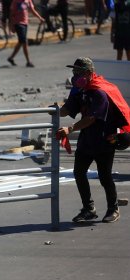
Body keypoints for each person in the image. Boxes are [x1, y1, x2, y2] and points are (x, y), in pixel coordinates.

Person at [57, 57, 130, 223]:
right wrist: (55, 111)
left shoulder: (99, 92)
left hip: (104, 139)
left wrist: (70, 129)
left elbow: (91, 118)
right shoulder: (79, 90)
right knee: (79, 173)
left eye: (79, 73)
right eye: (74, 73)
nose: (75, 76)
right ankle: (88, 208)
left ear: (90, 73)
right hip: (87, 140)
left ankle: (113, 209)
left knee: (105, 177)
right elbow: (68, 109)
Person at [7, 0, 44, 67]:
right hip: (18, 23)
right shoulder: (15, 1)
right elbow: (11, 14)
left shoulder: (28, 1)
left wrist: (40, 18)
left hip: (25, 23)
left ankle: (11, 58)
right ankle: (28, 61)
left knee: (21, 41)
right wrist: (11, 26)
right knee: (24, 41)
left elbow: (32, 10)